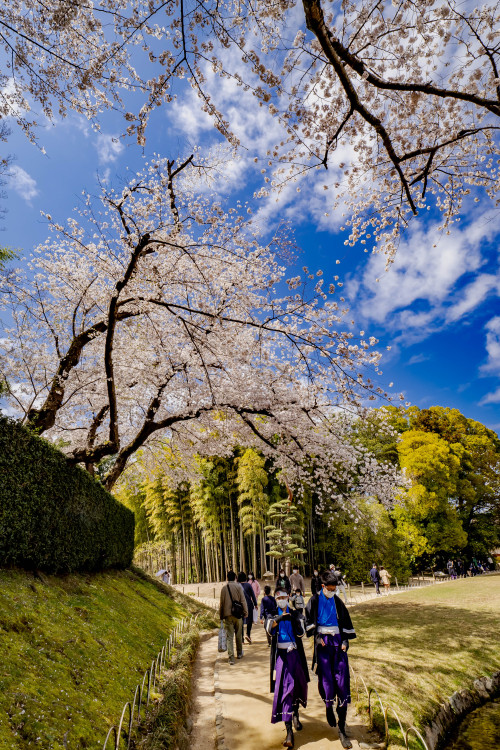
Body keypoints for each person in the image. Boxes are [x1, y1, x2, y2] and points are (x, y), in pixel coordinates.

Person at [305, 570, 356, 749]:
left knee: (342, 682)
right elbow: (309, 624)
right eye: (330, 588)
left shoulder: (337, 601)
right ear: (323, 586)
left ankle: (342, 728)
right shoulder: (314, 600)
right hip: (324, 645)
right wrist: (317, 639)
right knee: (326, 681)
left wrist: (344, 641)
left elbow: (346, 623)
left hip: (337, 644)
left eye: (335, 589)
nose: (332, 591)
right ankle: (328, 706)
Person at [265, 587, 310, 748]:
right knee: (285, 689)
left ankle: (296, 713)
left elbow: (301, 632)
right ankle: (289, 730)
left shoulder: (296, 613)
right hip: (281, 657)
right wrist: (280, 618)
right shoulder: (271, 613)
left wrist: (291, 619)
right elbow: (269, 629)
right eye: (278, 598)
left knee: (298, 686)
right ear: (275, 599)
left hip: (295, 655)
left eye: (284, 597)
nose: (281, 600)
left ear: (288, 597)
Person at [219, 570, 248, 665]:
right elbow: (243, 600)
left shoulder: (223, 589)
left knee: (229, 637)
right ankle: (239, 653)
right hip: (238, 615)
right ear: (235, 578)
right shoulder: (238, 587)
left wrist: (221, 615)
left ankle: (231, 658)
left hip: (228, 616)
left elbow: (221, 604)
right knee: (238, 635)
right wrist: (245, 612)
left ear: (227, 578)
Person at [238, 571, 258, 644]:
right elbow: (253, 595)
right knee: (249, 620)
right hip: (249, 604)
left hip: (240, 605)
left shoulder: (237, 585)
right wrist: (255, 604)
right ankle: (248, 635)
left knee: (241, 622)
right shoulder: (248, 585)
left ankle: (242, 639)